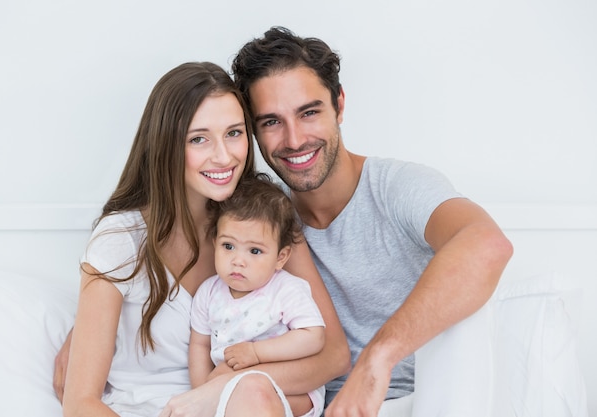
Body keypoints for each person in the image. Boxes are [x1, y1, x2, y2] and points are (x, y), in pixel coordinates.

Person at [231, 26, 514, 417]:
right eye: (272, 122)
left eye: (309, 112)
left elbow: (487, 245)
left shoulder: (397, 187)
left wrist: (377, 358)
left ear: (339, 106)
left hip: (415, 401)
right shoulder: (263, 220)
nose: (294, 140)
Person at [58, 61, 350, 417]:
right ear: (165, 145)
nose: (224, 156)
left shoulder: (263, 220)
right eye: (199, 139)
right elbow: (80, 403)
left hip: (252, 405)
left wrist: (220, 390)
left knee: (255, 398)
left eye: (234, 133)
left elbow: (333, 356)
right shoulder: (120, 241)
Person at [190, 173, 326, 417]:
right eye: (228, 246)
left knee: (252, 397)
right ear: (215, 241)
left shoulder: (286, 290)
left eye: (254, 250)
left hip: (293, 392)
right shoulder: (209, 293)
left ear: (280, 258)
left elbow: (313, 337)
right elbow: (199, 344)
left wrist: (256, 353)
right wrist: (202, 392)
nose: (238, 261)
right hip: (231, 387)